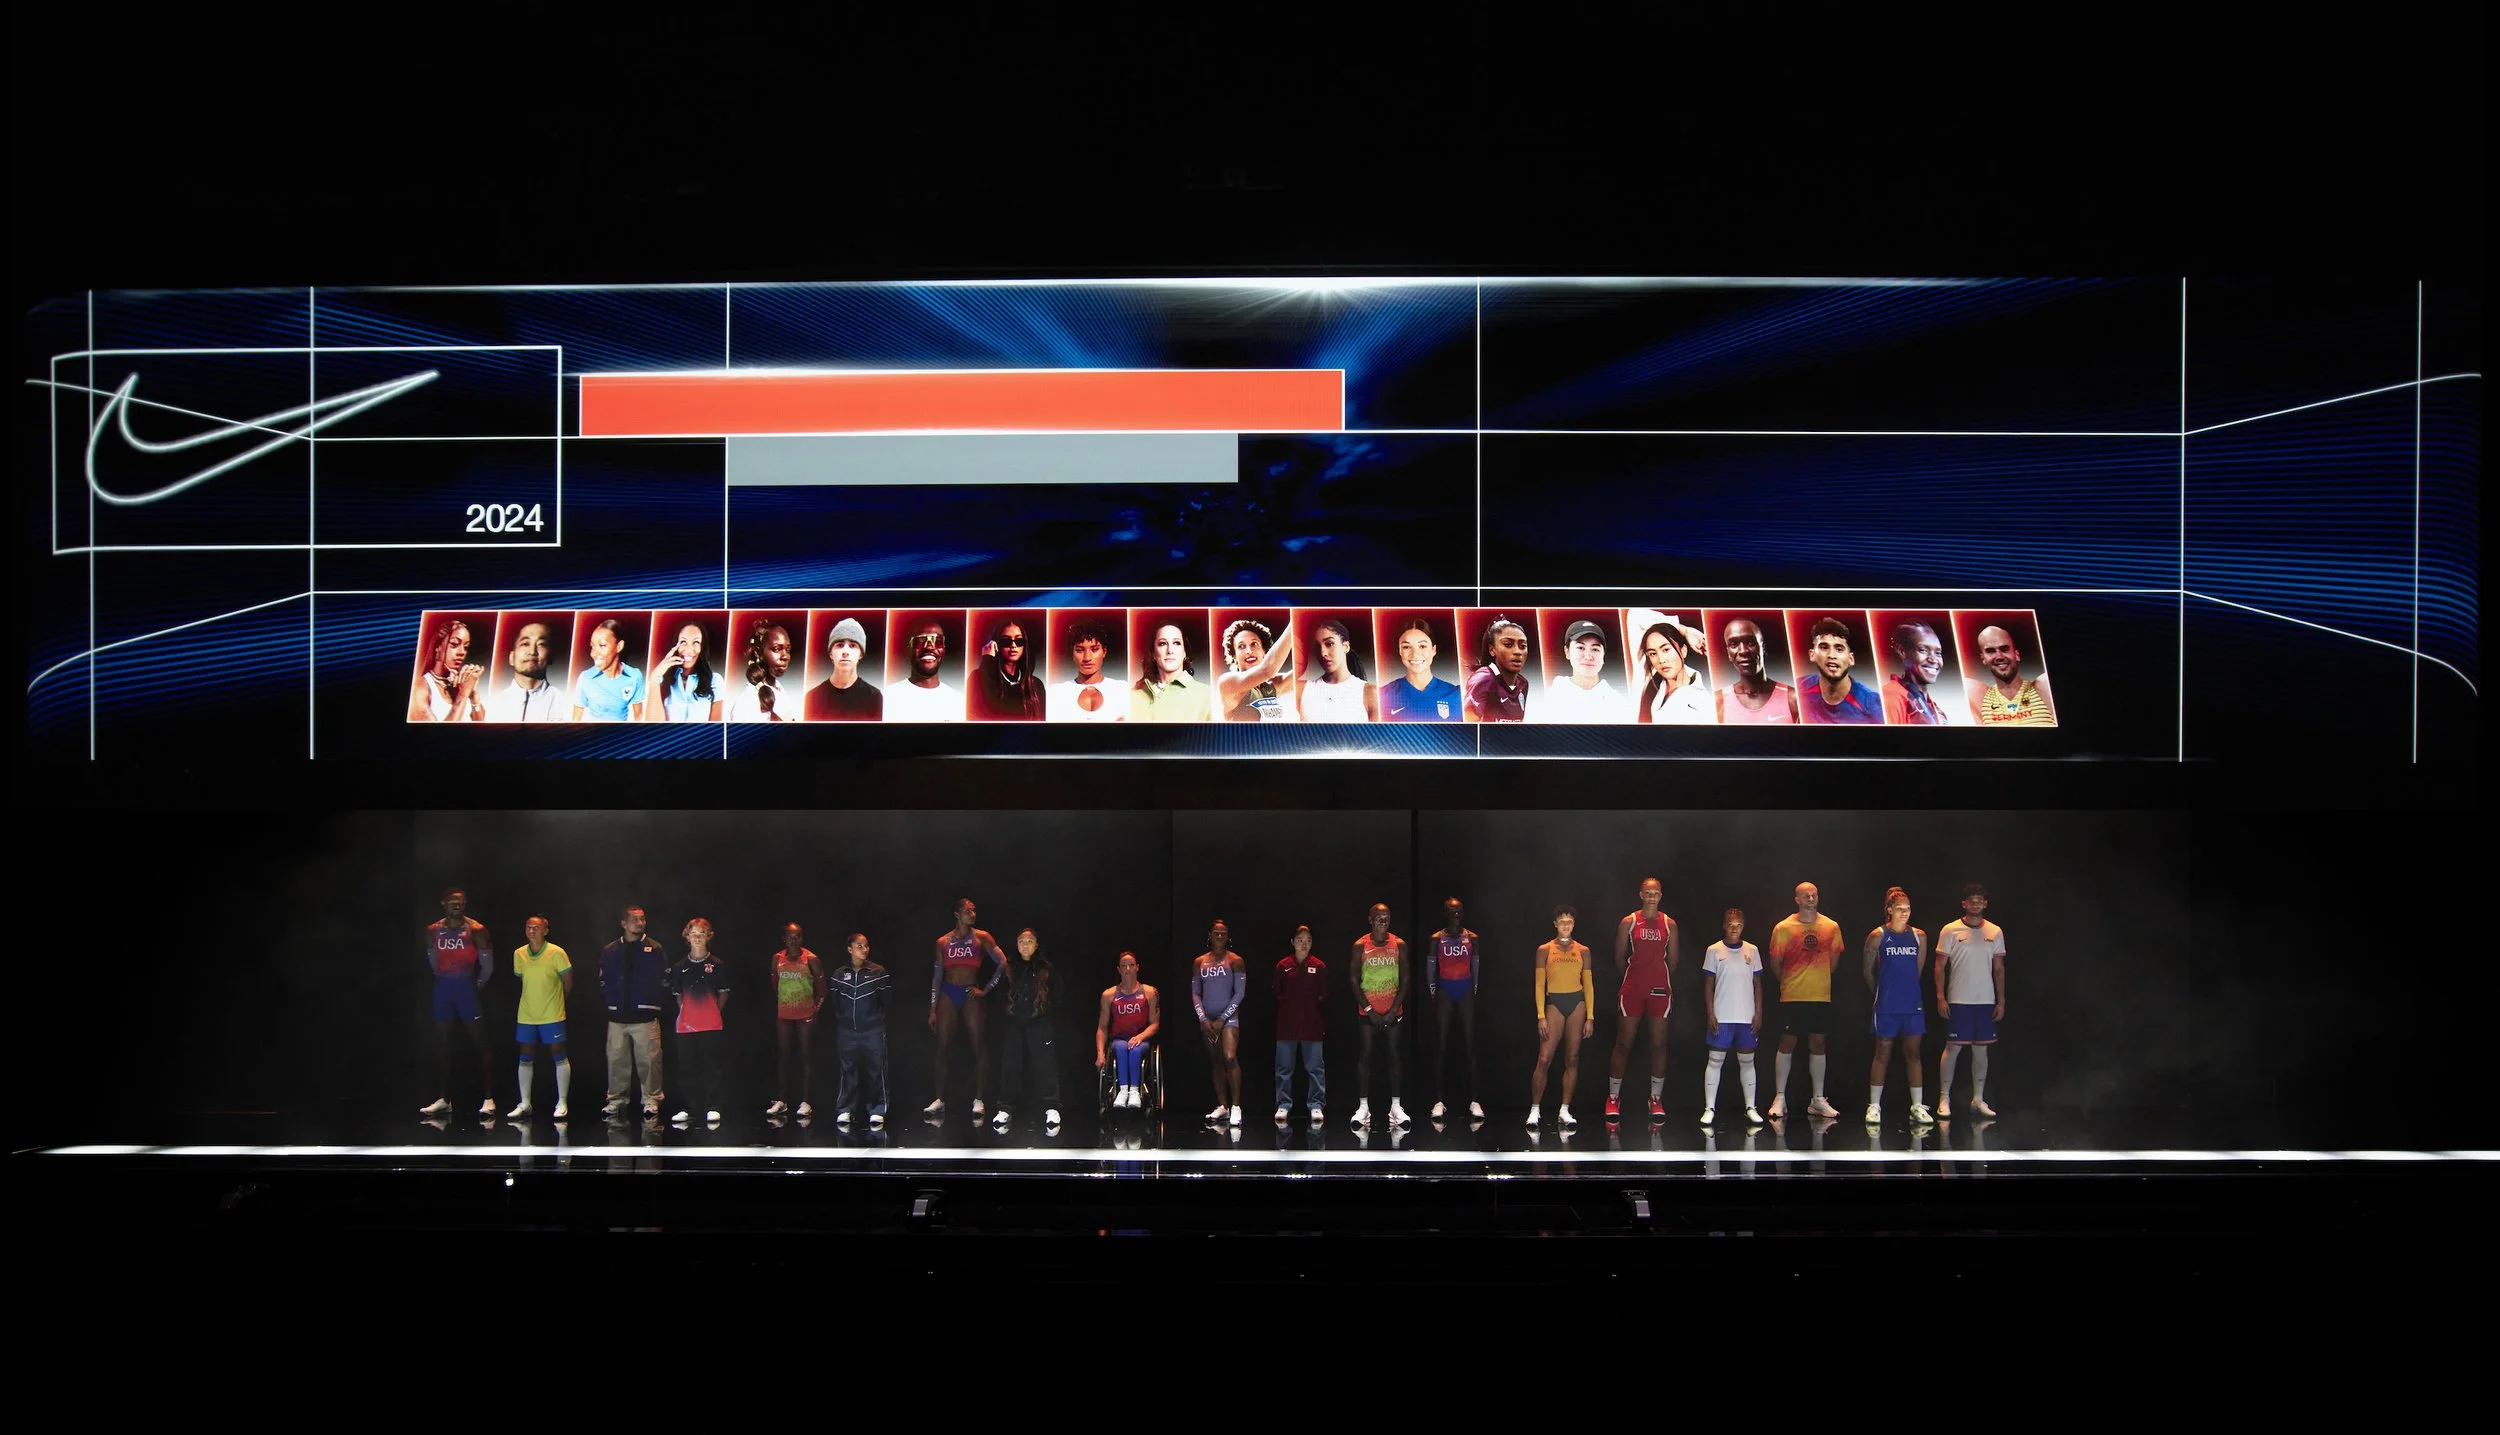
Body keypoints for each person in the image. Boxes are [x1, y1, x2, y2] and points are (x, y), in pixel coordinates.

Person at [1766, 882, 1842, 1120]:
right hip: (1792, 995)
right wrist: (1792, 981)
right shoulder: (1783, 928)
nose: (1810, 898)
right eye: (1805, 895)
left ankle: (1818, 1099)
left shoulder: (1831, 927)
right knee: (1787, 1042)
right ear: (1796, 899)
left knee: (1818, 1043)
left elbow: (1833, 964)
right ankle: (1780, 1097)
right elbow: (1775, 964)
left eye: (1814, 895)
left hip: (1820, 996)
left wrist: (1817, 979)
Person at [1606, 877, 1681, 1121]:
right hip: (1633, 988)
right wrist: (1634, 978)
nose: (1651, 897)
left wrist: (1657, 977)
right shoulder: (1629, 921)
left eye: (1655, 893)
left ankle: (1655, 1098)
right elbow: (1619, 958)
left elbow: (1673, 961)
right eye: (1648, 893)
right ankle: (1613, 1097)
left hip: (1659, 989)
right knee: (1623, 1043)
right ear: (1641, 895)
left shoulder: (1669, 924)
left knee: (1659, 1044)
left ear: (1660, 896)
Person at [418, 887, 496, 1118]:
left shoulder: (477, 930)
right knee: (442, 1043)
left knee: (481, 1042)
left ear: (465, 904)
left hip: (466, 988)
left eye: (460, 902)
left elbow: (488, 968)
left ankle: (489, 1098)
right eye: (452, 901)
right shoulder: (433, 930)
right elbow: (433, 962)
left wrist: (473, 985)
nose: (456, 905)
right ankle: (444, 1099)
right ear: (443, 903)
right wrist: (447, 980)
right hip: (443, 988)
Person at [926, 898, 1007, 1118]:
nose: (972, 914)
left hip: (971, 992)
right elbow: (937, 976)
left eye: (974, 910)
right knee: (942, 1046)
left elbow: (1002, 962)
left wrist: (986, 989)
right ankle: (939, 1099)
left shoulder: (982, 937)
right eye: (967, 911)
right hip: (949, 991)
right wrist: (933, 1008)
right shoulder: (942, 942)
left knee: (978, 1044)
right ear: (957, 914)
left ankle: (979, 1099)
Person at [1933, 884, 2008, 1118]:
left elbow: (1999, 969)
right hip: (1959, 999)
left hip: (1985, 1000)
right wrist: (1940, 996)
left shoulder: (1995, 931)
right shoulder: (1950, 930)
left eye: (1979, 901)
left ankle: (1978, 1099)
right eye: (1971, 901)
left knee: (1981, 1049)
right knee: (1953, 1047)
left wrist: (2001, 1000)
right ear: (1964, 904)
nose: (1976, 904)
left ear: (1985, 904)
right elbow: (1939, 966)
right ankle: (1944, 1098)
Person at [1862, 887, 1934, 1125]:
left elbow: (1918, 970)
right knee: (1882, 1052)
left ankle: (1917, 1106)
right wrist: (1881, 993)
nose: (1905, 913)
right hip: (1886, 1005)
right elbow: (1868, 971)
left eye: (1908, 909)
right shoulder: (1878, 935)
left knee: (1913, 1053)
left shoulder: (1919, 936)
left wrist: (1907, 992)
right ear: (1889, 910)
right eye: (1900, 909)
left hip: (1912, 1005)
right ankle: (1874, 1106)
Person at [1528, 905, 1595, 1129]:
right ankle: (1534, 1109)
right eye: (1562, 922)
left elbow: (1588, 985)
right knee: (1544, 1058)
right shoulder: (1544, 949)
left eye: (1570, 922)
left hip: (1577, 1002)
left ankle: (1564, 1110)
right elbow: (1539, 984)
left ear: (1574, 924)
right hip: (1554, 1003)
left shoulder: (1583, 950)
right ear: (1555, 924)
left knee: (1572, 1058)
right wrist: (1541, 1015)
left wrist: (1590, 1016)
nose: (1566, 925)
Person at [597, 905, 666, 1119]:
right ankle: (616, 1100)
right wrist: (611, 1002)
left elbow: (664, 980)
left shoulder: (655, 948)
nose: (639, 923)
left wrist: (652, 1002)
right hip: (617, 1017)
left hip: (645, 1017)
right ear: (623, 923)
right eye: (635, 919)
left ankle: (651, 1099)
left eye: (642, 919)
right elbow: (603, 979)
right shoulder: (610, 950)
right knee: (617, 1061)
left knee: (650, 1061)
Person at [1700, 907, 1765, 1126]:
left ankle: (1751, 1107)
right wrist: (1710, 1012)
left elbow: (1757, 984)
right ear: (1724, 926)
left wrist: (1758, 1012)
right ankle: (1709, 1108)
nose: (1734, 929)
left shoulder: (1752, 950)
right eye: (1730, 925)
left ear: (1743, 926)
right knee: (1715, 1061)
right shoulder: (1714, 950)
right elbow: (1708, 985)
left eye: (1738, 925)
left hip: (1746, 1016)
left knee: (1747, 1062)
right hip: (1722, 1015)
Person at [663, 917, 731, 1125]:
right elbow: (678, 996)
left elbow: (723, 993)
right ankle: (689, 1108)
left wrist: (711, 1012)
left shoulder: (717, 965)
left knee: (711, 1066)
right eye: (694, 934)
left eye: (702, 934)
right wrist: (688, 1014)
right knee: (687, 1068)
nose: (698, 938)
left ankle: (713, 1106)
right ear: (687, 937)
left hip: (711, 1024)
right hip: (686, 1026)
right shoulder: (679, 967)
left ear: (709, 936)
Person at [1348, 904, 1410, 1128]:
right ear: (1370, 920)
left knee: (1394, 1055)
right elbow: (1354, 979)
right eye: (1379, 918)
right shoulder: (1360, 945)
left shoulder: (1399, 944)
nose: (1383, 922)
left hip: (1393, 1011)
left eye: (1387, 918)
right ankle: (1363, 1108)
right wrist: (1369, 1009)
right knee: (1365, 1056)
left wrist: (1393, 1010)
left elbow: (1405, 979)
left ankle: (1396, 1107)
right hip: (1368, 1012)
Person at [508, 915, 574, 1120]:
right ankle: (525, 1103)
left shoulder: (557, 953)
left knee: (559, 1054)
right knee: (525, 1056)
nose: (531, 930)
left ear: (545, 930)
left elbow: (568, 983)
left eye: (536, 927)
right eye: (528, 927)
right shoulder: (519, 954)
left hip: (552, 1014)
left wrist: (557, 1003)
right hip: (527, 1014)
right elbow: (523, 981)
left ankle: (562, 1102)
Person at [996, 928, 1061, 1129]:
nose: (1025, 945)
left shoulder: (1046, 969)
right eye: (1022, 941)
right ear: (1016, 944)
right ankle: (1005, 1108)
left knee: (1045, 1066)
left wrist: (1046, 1012)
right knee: (1010, 1066)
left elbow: (1058, 992)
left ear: (1036, 944)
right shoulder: (1008, 968)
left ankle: (1052, 1107)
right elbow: (999, 993)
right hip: (1014, 1023)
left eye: (1030, 941)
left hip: (1039, 1022)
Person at [1427, 897, 1484, 1120]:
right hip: (1445, 991)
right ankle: (1438, 1100)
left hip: (1465, 990)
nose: (1456, 914)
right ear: (1446, 913)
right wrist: (1434, 993)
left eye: (1459, 910)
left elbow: (1476, 968)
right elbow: (1430, 971)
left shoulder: (1472, 938)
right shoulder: (1436, 939)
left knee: (1471, 1044)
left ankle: (1475, 1100)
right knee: (1440, 1045)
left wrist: (1474, 992)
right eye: (1452, 911)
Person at [828, 933, 892, 1129]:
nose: (864, 949)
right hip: (847, 1030)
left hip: (872, 1030)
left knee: (876, 1069)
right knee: (847, 1070)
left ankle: (877, 1110)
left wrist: (875, 1022)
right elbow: (835, 1002)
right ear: (850, 949)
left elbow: (886, 1001)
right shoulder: (839, 974)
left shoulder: (878, 972)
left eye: (866, 946)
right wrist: (844, 1020)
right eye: (859, 946)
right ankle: (845, 1109)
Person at [1192, 920, 1247, 1125]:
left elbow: (1240, 993)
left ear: (1228, 936)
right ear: (1210, 935)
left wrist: (1223, 1018)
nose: (1220, 936)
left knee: (1229, 1057)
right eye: (1216, 933)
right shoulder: (1199, 961)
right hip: (1207, 1018)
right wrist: (1203, 1018)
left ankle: (1236, 1106)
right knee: (1216, 1061)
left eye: (1223, 933)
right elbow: (1195, 993)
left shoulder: (1235, 961)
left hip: (1228, 1017)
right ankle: (1223, 1106)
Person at [768, 923, 825, 1118]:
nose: (794, 941)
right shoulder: (777, 959)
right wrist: (785, 1002)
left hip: (805, 1016)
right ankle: (782, 1100)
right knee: (783, 1055)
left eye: (797, 936)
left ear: (802, 938)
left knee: (806, 1056)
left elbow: (822, 990)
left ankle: (806, 1101)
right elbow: (775, 984)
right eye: (790, 937)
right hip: (784, 1014)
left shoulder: (811, 959)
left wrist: (813, 1010)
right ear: (784, 939)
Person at [1272, 926, 1327, 1123]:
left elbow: (1324, 993)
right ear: (1292, 942)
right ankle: (1283, 1104)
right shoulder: (1283, 965)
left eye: (1308, 940)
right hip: (1287, 1026)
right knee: (1284, 1068)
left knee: (1315, 1069)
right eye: (1300, 940)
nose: (1304, 944)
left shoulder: (1318, 966)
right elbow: (1277, 993)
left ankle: (1316, 1105)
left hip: (1311, 1026)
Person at [1096, 951, 1161, 1110]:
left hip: (1141, 1038)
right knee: (1121, 1047)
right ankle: (1123, 1091)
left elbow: (1154, 1024)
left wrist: (1141, 1036)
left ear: (1137, 967)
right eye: (1124, 966)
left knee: (1135, 1049)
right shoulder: (1109, 995)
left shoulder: (1149, 992)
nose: (1127, 969)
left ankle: (1135, 1091)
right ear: (1119, 969)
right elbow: (1102, 1027)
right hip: (1119, 1038)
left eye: (1131, 965)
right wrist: (1100, 1053)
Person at [1797, 616, 1883, 724]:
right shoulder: (1799, 688)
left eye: (1839, 649)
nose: (1832, 655)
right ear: (1812, 655)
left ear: (1851, 659)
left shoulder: (1873, 704)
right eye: (1824, 647)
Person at [1541, 619, 1629, 723]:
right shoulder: (1552, 698)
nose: (1588, 656)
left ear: (1603, 656)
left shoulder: (1620, 703)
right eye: (1580, 648)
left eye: (1595, 649)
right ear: (1567, 652)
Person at [1968, 625, 2057, 725]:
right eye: (1990, 651)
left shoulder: (2044, 687)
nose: (1999, 656)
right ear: (1983, 658)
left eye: (2004, 649)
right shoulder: (1977, 695)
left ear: (2017, 655)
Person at [1714, 617, 1797, 723]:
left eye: (1750, 642)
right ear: (1728, 653)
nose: (1743, 651)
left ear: (1763, 648)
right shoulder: (1718, 701)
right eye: (1734, 644)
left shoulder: (1793, 699)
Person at [1380, 617, 1463, 722]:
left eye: (1422, 646)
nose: (1415, 654)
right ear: (1400, 651)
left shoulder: (1457, 695)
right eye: (1406, 647)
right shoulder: (1382, 696)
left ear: (1433, 650)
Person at [486, 619, 569, 723]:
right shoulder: (488, 707)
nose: (532, 652)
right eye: (525, 644)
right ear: (511, 657)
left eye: (541, 644)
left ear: (551, 657)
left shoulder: (568, 706)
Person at [803, 617, 884, 721]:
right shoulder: (812, 698)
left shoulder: (874, 697)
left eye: (852, 645)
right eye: (840, 645)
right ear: (831, 653)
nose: (845, 651)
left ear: (861, 654)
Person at [1217, 617, 1297, 721]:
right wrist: (1294, 623)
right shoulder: (1227, 683)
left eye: (1254, 644)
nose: (1249, 651)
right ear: (1234, 656)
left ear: (1264, 651)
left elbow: (1302, 674)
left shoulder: (1271, 686)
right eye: (1241, 646)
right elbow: (1268, 669)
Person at [1297, 618, 1376, 722]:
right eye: (1317, 647)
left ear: (1346, 646)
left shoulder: (1371, 693)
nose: (1323, 653)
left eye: (1329, 644)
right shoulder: (1302, 690)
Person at [1047, 617, 1126, 722]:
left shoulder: (1122, 689)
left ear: (1104, 652)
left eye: (1094, 649)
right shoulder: (1057, 692)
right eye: (1080, 650)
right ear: (1072, 653)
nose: (1087, 658)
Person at [1635, 618, 1712, 724]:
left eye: (1666, 650)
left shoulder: (1703, 701)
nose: (1661, 660)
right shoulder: (1649, 679)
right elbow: (1635, 617)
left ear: (1683, 651)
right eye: (1653, 653)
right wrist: (1685, 630)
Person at [968, 618, 1047, 721]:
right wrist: (987, 660)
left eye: (1019, 641)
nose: (1013, 645)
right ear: (996, 644)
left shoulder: (1036, 685)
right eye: (1006, 641)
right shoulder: (978, 678)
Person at [1130, 621, 1210, 722]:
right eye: (1162, 644)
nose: (1170, 650)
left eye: (1176, 643)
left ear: (1184, 653)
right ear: (1153, 653)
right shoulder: (1133, 696)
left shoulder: (1206, 694)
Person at [409, 617, 485, 722]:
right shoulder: (420, 687)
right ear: (437, 647)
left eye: (466, 647)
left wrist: (473, 694)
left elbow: (481, 724)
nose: (462, 652)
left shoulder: (460, 684)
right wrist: (463, 694)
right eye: (454, 644)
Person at [886, 620, 964, 722]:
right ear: (908, 650)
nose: (929, 646)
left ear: (944, 651)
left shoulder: (959, 702)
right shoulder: (888, 697)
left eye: (938, 641)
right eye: (920, 641)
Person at [647, 621, 722, 722]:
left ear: (702, 647)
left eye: (696, 642)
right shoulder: (661, 679)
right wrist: (655, 677)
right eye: (683, 642)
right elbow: (653, 725)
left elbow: (716, 726)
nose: (689, 649)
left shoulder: (715, 680)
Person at [571, 617, 644, 721]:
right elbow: (575, 719)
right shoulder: (585, 678)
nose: (594, 654)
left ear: (619, 646)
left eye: (602, 645)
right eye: (592, 646)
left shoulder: (634, 676)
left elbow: (639, 717)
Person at [1881, 620, 1952, 725]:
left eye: (1938, 653)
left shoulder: (1936, 710)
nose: (1933, 659)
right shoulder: (1890, 697)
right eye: (1923, 650)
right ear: (1902, 651)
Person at [724, 618, 794, 722]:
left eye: (787, 650)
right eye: (776, 649)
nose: (785, 656)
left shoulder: (779, 688)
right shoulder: (746, 703)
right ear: (757, 653)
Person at [1464, 616, 1529, 722]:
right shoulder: (1484, 679)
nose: (1517, 652)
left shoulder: (1523, 684)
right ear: (1492, 650)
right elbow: (1468, 727)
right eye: (1508, 645)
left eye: (1522, 646)